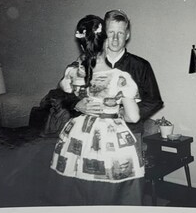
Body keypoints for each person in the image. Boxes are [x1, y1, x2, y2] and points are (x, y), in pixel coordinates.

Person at [48, 15, 145, 206]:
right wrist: (117, 112)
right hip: (109, 140)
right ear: (105, 41)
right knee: (111, 194)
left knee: (75, 192)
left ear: (82, 43)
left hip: (75, 139)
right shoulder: (119, 77)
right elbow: (133, 117)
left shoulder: (71, 72)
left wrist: (77, 104)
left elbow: (61, 94)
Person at [70, 10, 163, 151]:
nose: (115, 38)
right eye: (110, 32)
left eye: (120, 33)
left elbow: (154, 100)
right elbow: (63, 93)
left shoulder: (141, 65)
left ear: (127, 35)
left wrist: (121, 113)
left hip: (129, 133)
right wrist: (77, 104)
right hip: (91, 134)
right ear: (102, 35)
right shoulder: (86, 63)